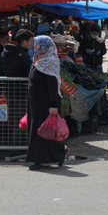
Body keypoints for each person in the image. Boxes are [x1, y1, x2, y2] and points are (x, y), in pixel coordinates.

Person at [26, 36, 69, 170]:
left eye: (38, 45)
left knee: (44, 130)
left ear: (45, 46)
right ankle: (60, 151)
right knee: (41, 129)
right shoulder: (39, 61)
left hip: (45, 103)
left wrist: (53, 104)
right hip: (37, 102)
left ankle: (44, 161)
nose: (36, 47)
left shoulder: (49, 62)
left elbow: (52, 85)